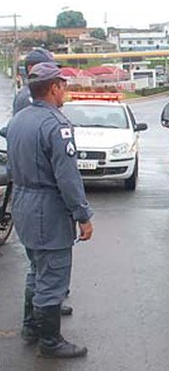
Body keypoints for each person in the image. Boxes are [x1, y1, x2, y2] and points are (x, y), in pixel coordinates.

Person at [7, 62, 94, 358]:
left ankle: (31, 327)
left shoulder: (18, 120)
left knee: (36, 270)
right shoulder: (56, 125)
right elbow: (68, 178)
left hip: (23, 203)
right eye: (63, 85)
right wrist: (83, 215)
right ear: (54, 87)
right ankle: (50, 341)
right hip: (47, 208)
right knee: (53, 276)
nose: (65, 91)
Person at [13, 48, 57, 115]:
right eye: (45, 68)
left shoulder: (39, 94)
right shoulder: (28, 98)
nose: (50, 71)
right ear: (30, 68)